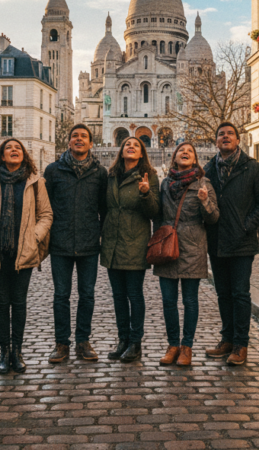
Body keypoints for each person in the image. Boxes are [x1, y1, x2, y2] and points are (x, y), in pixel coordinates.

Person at [0, 138, 53, 374]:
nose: (14, 150)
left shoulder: (35, 182)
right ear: (1, 155)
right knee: (1, 303)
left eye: (18, 148)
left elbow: (46, 215)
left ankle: (17, 351)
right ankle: (4, 351)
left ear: (24, 155)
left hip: (24, 251)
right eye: (9, 148)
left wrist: (33, 238)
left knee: (19, 303)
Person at [204, 122, 259, 366]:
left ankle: (240, 344)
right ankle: (226, 339)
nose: (225, 137)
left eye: (230, 134)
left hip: (242, 241)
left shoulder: (252, 167)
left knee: (240, 294)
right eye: (221, 134)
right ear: (216, 141)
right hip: (217, 241)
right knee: (223, 293)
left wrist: (248, 225)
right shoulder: (208, 169)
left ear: (238, 140)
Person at [43, 124, 108, 364]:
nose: (79, 139)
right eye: (75, 136)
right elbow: (45, 207)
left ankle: (83, 340)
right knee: (61, 295)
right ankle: (62, 343)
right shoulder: (53, 171)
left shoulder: (100, 173)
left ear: (91, 143)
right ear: (69, 142)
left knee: (87, 295)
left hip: (89, 243)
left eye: (83, 136)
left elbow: (104, 209)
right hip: (60, 243)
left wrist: (98, 233)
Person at [154, 143, 219, 367]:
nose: (185, 153)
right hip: (168, 246)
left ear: (195, 159)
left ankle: (187, 346)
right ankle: (173, 345)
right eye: (181, 150)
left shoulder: (204, 184)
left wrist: (204, 201)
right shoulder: (165, 183)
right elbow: (157, 213)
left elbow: (213, 218)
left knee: (190, 301)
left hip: (192, 246)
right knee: (168, 301)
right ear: (174, 157)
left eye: (189, 151)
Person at [101, 136, 160, 363]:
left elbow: (154, 210)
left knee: (134, 295)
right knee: (118, 296)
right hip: (112, 243)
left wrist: (146, 192)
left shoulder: (149, 176)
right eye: (127, 144)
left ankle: (136, 342)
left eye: (136, 145)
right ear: (121, 150)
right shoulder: (111, 176)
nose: (131, 147)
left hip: (135, 242)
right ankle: (123, 339)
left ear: (142, 152)